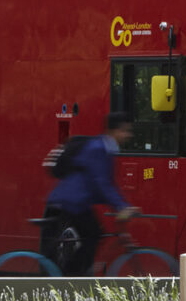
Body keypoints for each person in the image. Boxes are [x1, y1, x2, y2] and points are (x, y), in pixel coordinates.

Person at [41, 111, 141, 277]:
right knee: (93, 234)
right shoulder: (98, 148)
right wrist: (121, 207)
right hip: (70, 202)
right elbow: (101, 182)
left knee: (93, 234)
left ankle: (77, 275)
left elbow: (105, 184)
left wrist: (122, 206)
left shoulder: (104, 148)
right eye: (125, 131)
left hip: (76, 202)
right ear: (113, 131)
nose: (128, 135)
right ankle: (73, 277)